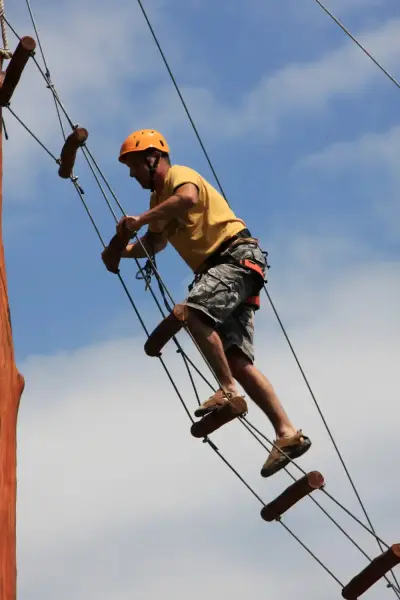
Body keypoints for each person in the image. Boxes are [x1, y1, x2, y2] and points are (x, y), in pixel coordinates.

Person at [102, 129, 311, 477]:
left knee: (195, 315)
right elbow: (154, 245)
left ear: (153, 159)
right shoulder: (157, 205)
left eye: (134, 166)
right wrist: (121, 253)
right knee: (236, 359)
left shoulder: (180, 177)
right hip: (231, 270)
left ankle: (227, 391)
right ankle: (287, 433)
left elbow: (187, 199)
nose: (132, 174)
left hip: (233, 259)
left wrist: (138, 220)